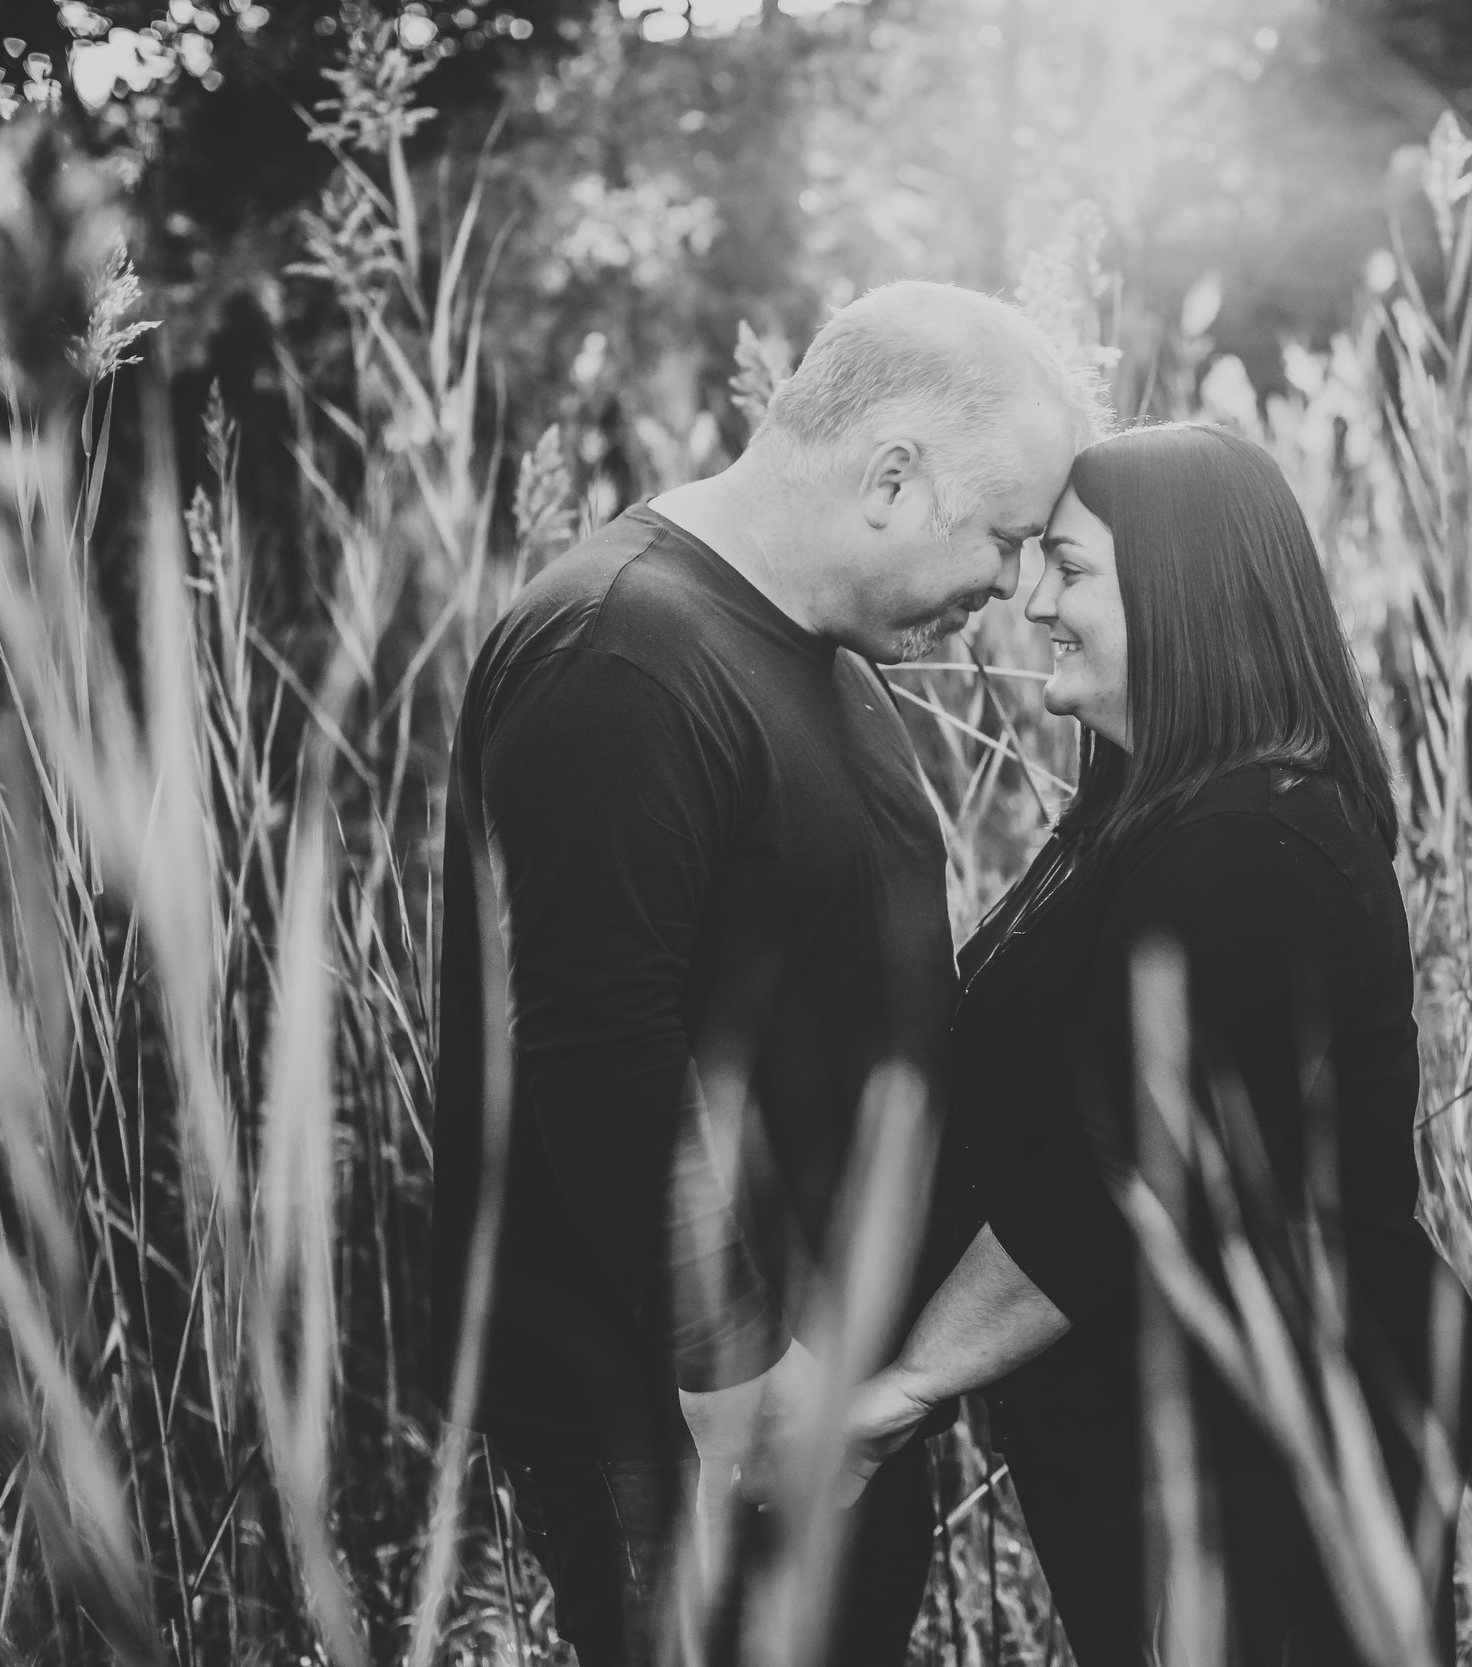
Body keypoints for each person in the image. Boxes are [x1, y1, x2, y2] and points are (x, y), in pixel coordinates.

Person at [426, 280, 1102, 1667]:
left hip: (817, 1387)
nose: (1010, 587)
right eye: (1004, 536)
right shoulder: (621, 646)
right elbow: (599, 1039)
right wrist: (737, 1370)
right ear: (892, 473)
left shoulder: (817, 656)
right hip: (683, 1418)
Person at [842, 422, 1472, 1667]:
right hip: (1173, 1433)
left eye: (1068, 569)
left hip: (1280, 1442)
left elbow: (1121, 1170)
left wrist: (904, 1389)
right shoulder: (1151, 811)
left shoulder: (1255, 846)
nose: (1028, 601)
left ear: (1184, 595)